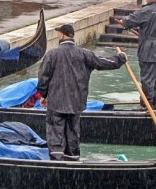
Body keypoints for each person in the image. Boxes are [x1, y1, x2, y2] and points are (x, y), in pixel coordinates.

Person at [36, 24, 127, 161]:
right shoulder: (85, 54)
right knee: (72, 133)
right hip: (76, 102)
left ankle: (56, 161)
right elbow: (104, 63)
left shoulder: (52, 54)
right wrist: (120, 58)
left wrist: (44, 95)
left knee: (56, 133)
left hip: (56, 102)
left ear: (62, 35)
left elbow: (43, 78)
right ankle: (73, 160)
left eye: (58, 33)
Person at [115, 0, 156, 109]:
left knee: (147, 76)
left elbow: (132, 19)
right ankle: (155, 103)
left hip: (149, 48)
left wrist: (123, 22)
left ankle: (146, 104)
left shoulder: (148, 10)